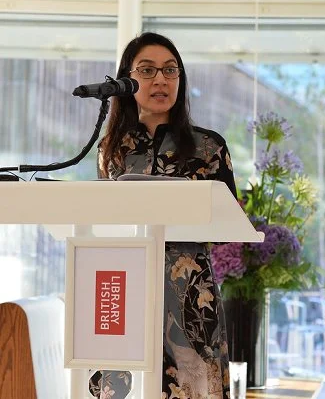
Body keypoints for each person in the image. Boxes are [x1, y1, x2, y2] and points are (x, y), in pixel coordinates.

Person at [90, 32, 236, 399]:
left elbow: (228, 225)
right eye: (148, 70)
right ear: (127, 80)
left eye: (170, 71)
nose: (160, 80)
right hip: (126, 284)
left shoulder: (209, 146)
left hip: (189, 293)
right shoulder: (110, 149)